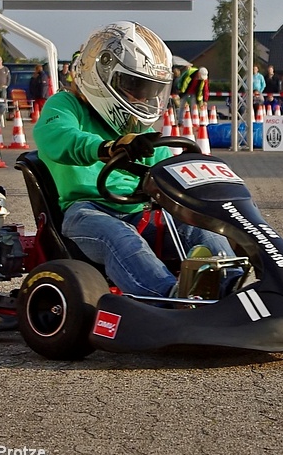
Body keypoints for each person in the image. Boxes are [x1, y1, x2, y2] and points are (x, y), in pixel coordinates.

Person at [34, 21, 236, 298]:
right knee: (121, 237)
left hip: (141, 211)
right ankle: (169, 299)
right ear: (102, 74)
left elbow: (162, 167)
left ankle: (233, 289)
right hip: (87, 211)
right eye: (136, 86)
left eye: (151, 90)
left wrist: (184, 171)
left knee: (202, 230)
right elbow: (59, 138)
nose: (144, 97)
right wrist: (108, 147)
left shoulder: (137, 128)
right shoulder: (66, 106)